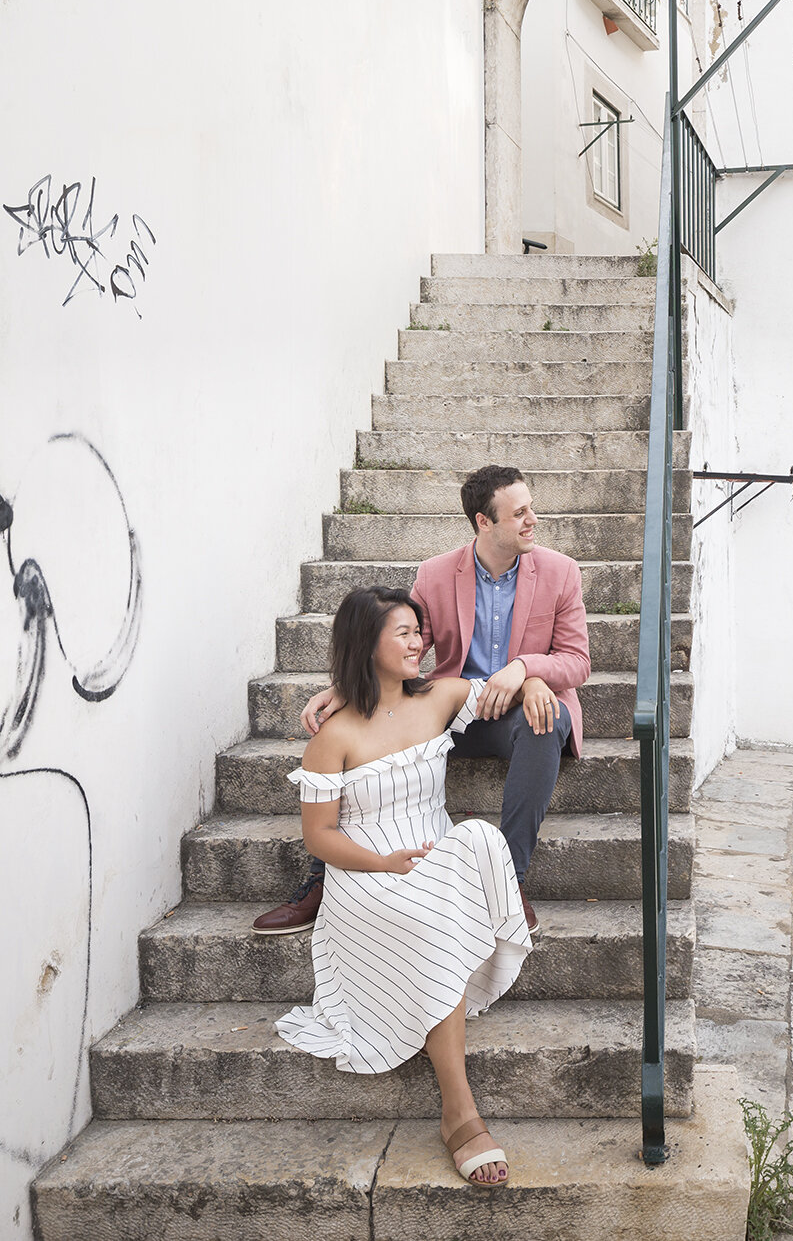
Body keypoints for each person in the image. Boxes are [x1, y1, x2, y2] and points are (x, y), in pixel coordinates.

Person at [252, 465, 590, 938]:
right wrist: (346, 688)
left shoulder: (560, 572)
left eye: (530, 508)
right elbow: (404, 644)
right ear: (483, 522)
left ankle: (506, 882)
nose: (533, 519)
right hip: (451, 709)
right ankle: (321, 879)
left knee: (546, 721)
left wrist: (527, 671)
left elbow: (576, 661)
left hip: (516, 711)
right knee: (361, 727)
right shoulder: (436, 575)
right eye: (520, 512)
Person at [276, 585, 527, 1185]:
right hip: (364, 871)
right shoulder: (332, 737)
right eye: (404, 634)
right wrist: (383, 863)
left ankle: (453, 1084)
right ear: (368, 644)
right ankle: (459, 1112)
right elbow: (320, 837)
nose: (420, 643)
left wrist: (534, 680)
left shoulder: (440, 696)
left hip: (431, 849)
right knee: (422, 916)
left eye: (420, 632)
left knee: (483, 839)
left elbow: (496, 685)